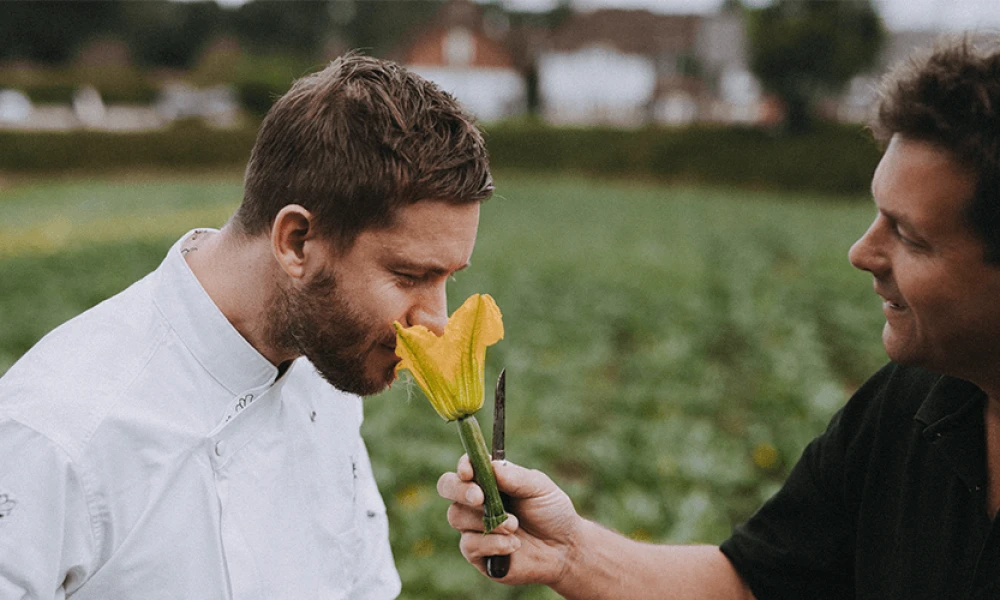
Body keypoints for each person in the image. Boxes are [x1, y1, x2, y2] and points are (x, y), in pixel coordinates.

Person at [438, 38, 1000, 599]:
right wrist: (571, 553)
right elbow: (751, 585)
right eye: (877, 215)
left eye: (910, 236)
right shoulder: (906, 407)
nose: (862, 252)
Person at [0, 53, 493, 598]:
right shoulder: (52, 432)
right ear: (296, 242)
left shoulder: (327, 371)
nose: (437, 322)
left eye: (448, 278)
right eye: (409, 276)